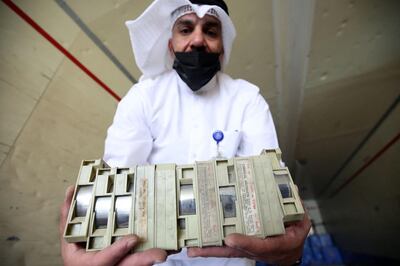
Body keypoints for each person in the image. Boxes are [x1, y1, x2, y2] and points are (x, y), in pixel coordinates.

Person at [60, 0, 311, 265]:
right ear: (170, 43)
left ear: (223, 45)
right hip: (156, 260)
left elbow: (269, 185)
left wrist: (289, 252)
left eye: (211, 31)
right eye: (186, 29)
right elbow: (117, 180)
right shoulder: (143, 98)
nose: (198, 40)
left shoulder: (247, 99)